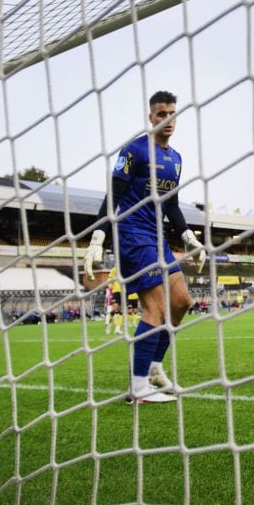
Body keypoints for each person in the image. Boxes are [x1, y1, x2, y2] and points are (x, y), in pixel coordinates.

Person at [83, 90, 205, 404]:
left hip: (158, 236)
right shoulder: (135, 151)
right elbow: (112, 196)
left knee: (181, 302)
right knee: (156, 307)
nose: (167, 120)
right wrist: (98, 238)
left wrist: (189, 238)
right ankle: (138, 390)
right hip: (132, 234)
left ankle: (153, 369)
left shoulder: (175, 159)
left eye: (172, 114)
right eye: (160, 114)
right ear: (150, 116)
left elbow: (173, 206)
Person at [104, 268, 124, 335]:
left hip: (124, 291)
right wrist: (110, 285)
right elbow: (109, 279)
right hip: (116, 291)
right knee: (114, 309)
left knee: (121, 311)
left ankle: (117, 329)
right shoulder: (114, 269)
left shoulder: (127, 266)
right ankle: (109, 325)